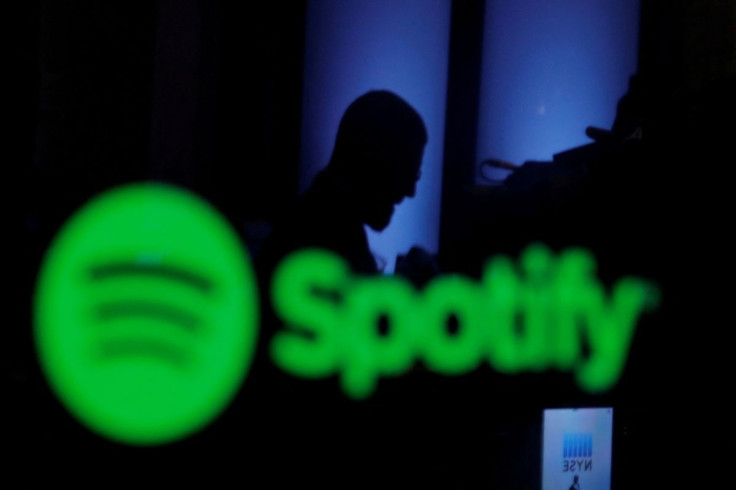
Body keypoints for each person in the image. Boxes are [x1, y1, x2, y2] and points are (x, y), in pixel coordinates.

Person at [257, 90, 427, 278]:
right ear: (371, 157)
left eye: (414, 175)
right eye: (406, 171)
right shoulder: (321, 241)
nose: (411, 191)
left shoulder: (316, 223)